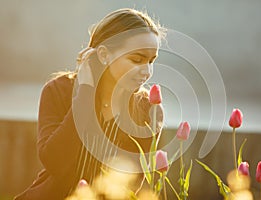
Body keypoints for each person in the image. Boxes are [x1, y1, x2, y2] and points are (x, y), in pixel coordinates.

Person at [14, 8, 165, 200]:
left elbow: (132, 184)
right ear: (103, 55)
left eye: (151, 61)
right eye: (137, 59)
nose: (147, 71)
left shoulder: (148, 110)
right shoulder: (59, 91)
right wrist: (86, 92)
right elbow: (54, 161)